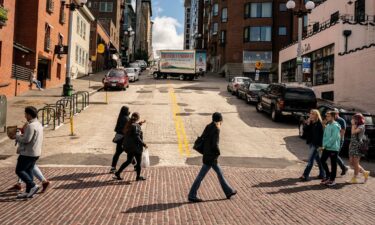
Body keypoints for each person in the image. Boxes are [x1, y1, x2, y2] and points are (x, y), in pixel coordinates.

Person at [188, 112, 237, 202]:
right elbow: (215, 144)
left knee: (220, 173)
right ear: (219, 120)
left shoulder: (208, 126)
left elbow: (204, 138)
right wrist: (218, 153)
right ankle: (192, 195)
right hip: (211, 157)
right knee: (201, 176)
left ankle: (229, 191)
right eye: (221, 120)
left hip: (207, 155)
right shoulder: (216, 129)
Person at [11, 106, 43, 198]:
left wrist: (17, 136)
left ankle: (32, 185)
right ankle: (28, 191)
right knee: (28, 170)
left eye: (25, 114)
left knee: (19, 170)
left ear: (29, 115)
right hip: (36, 153)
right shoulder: (38, 124)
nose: (25, 116)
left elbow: (26, 140)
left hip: (28, 153)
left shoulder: (31, 126)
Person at [113, 112, 148, 181]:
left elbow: (133, 129)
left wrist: (139, 124)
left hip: (129, 147)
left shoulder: (129, 124)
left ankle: (118, 173)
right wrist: (144, 144)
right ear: (137, 118)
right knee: (138, 162)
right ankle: (138, 176)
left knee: (129, 161)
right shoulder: (135, 126)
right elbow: (137, 137)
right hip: (136, 147)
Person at [299, 110, 325, 181]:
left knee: (310, 160)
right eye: (310, 113)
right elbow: (305, 130)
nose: (310, 115)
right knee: (318, 159)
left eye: (312, 114)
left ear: (316, 115)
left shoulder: (319, 124)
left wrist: (321, 146)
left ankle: (305, 175)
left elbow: (322, 136)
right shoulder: (311, 123)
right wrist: (307, 123)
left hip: (316, 144)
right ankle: (323, 174)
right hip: (311, 142)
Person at [320, 111, 342, 187]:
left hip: (333, 148)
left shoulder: (335, 126)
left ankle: (332, 180)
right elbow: (324, 137)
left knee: (333, 164)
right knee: (322, 160)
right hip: (326, 147)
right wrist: (324, 145)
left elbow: (334, 138)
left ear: (332, 117)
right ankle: (328, 176)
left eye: (328, 116)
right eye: (326, 116)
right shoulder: (328, 125)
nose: (326, 117)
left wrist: (326, 145)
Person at [347, 113, 370, 184]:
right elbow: (352, 135)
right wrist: (350, 145)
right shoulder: (355, 125)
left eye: (354, 118)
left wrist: (353, 125)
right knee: (351, 163)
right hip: (352, 145)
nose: (352, 119)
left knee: (356, 163)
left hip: (357, 146)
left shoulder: (361, 126)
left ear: (358, 119)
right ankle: (364, 172)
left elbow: (353, 132)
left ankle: (354, 178)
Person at [110, 106, 131, 174]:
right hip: (124, 138)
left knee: (118, 153)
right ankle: (136, 165)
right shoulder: (125, 118)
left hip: (119, 138)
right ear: (125, 111)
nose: (129, 111)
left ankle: (113, 167)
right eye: (128, 110)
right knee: (130, 152)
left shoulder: (121, 116)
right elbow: (129, 127)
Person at [333, 109, 349, 175]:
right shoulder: (332, 120)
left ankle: (343, 168)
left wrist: (336, 139)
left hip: (339, 140)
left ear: (337, 113)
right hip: (333, 140)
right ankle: (343, 168)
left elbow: (342, 132)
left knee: (335, 155)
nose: (333, 115)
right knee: (334, 155)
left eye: (334, 113)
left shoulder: (341, 120)